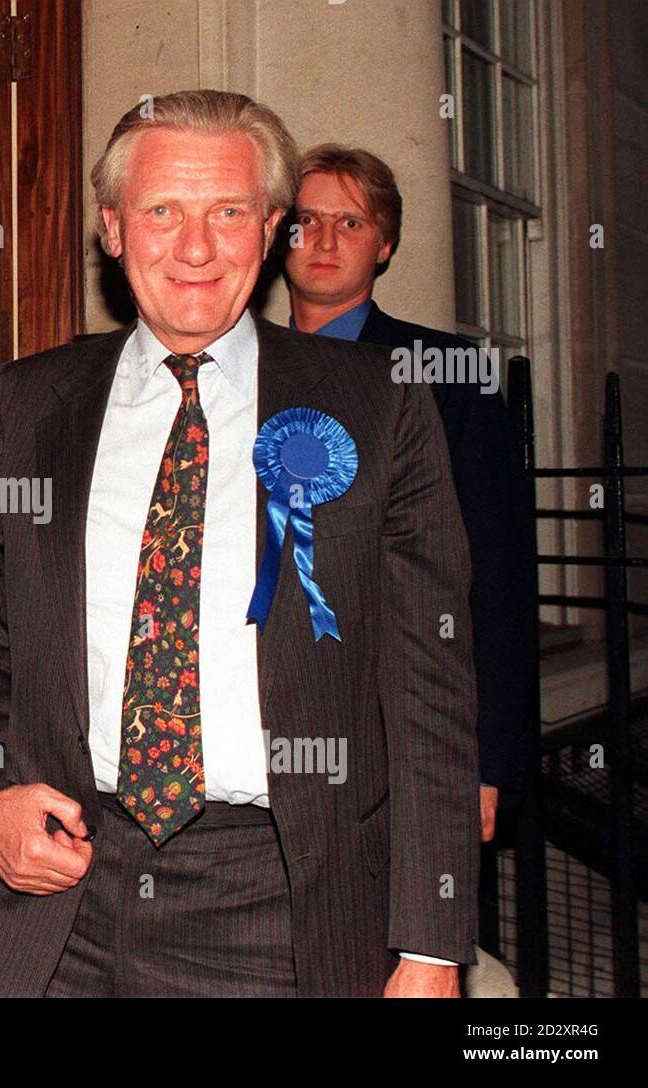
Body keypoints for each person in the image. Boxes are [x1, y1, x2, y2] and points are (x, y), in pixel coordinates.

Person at [0, 90, 479, 997]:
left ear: (269, 228)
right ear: (112, 229)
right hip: (59, 888)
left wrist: (429, 946)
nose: (195, 247)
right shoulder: (29, 404)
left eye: (227, 211)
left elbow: (430, 687)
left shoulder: (379, 404)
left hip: (280, 903)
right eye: (161, 212)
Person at [283, 144, 535, 842]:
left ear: (385, 244)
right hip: (270, 730)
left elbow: (496, 574)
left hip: (404, 724)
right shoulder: (241, 371)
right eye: (306, 221)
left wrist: (487, 763)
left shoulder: (448, 376)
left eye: (352, 223)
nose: (325, 240)